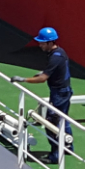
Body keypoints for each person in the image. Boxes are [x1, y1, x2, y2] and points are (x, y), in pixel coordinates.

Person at [23, 26, 73, 157]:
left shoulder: (55, 57)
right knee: (64, 120)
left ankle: (56, 155)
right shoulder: (59, 53)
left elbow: (42, 79)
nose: (40, 45)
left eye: (42, 42)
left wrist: (23, 79)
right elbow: (57, 70)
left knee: (51, 123)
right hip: (64, 91)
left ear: (50, 43)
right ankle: (68, 148)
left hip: (59, 94)